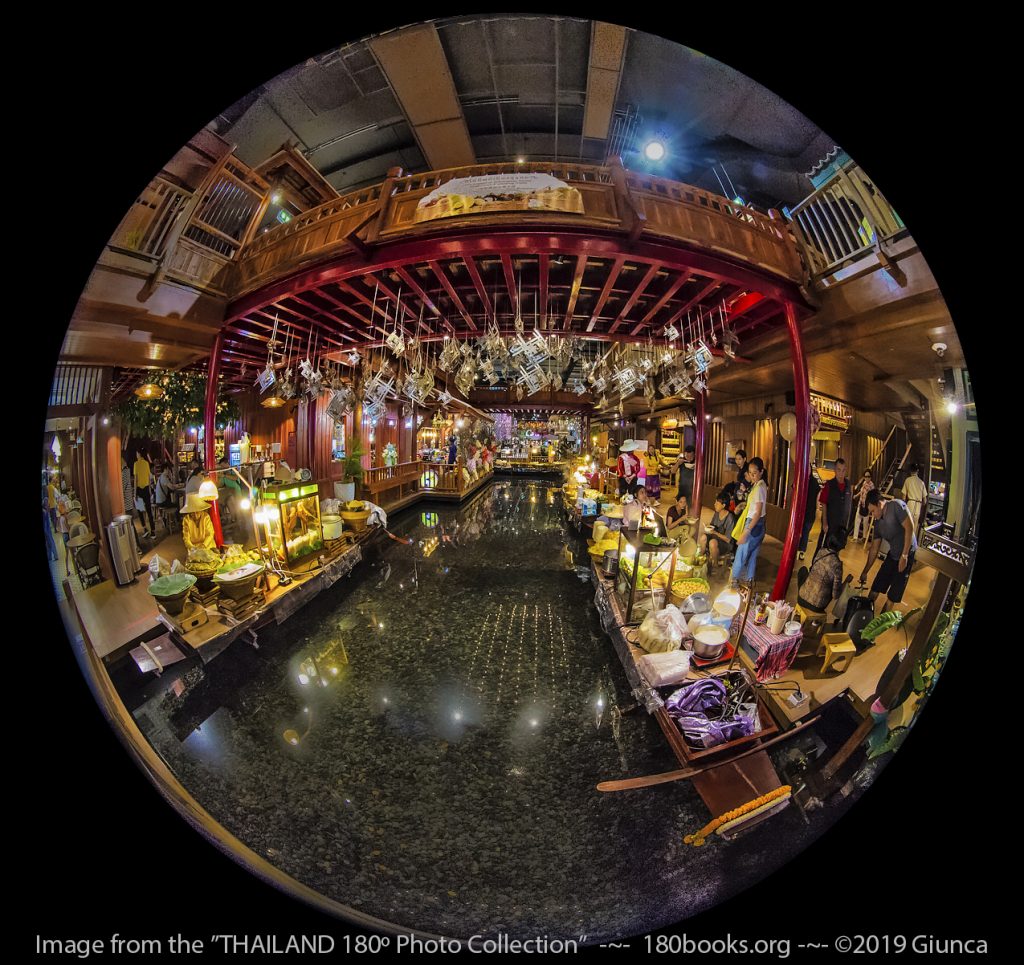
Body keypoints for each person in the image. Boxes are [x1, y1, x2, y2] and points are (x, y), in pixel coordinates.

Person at [859, 489, 918, 613]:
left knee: (893, 595)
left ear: (879, 504)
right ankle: (864, 615)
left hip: (907, 552)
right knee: (876, 586)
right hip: (893, 554)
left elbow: (910, 527)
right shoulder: (878, 523)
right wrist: (865, 571)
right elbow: (874, 549)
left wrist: (905, 555)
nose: (873, 515)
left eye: (873, 511)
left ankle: (880, 624)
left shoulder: (896, 506)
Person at [731, 456, 767, 584]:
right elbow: (755, 508)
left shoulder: (759, 488)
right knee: (752, 556)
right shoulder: (759, 485)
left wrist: (746, 531)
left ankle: (733, 582)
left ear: (761, 471)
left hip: (753, 524)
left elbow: (757, 513)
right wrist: (742, 506)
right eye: (750, 473)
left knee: (741, 554)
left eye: (755, 473)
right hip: (759, 525)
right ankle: (749, 582)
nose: (752, 476)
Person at [798, 526, 847, 614]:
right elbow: (835, 595)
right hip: (817, 606)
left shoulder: (821, 551)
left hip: (801, 598)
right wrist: (846, 581)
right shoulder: (837, 564)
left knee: (803, 570)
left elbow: (813, 569)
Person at [816, 458, 851, 553]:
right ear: (835, 470)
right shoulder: (829, 485)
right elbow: (823, 504)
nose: (841, 473)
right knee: (822, 548)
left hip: (841, 526)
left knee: (835, 550)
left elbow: (848, 505)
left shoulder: (848, 485)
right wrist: (824, 523)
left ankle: (831, 567)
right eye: (839, 470)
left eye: (843, 470)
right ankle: (814, 566)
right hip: (829, 524)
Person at [700, 490, 736, 569]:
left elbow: (728, 539)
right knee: (703, 537)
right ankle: (700, 559)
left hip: (725, 544)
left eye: (717, 503)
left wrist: (715, 533)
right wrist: (708, 527)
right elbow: (712, 526)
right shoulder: (717, 513)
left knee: (712, 542)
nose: (714, 504)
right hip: (715, 538)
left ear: (723, 505)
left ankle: (715, 566)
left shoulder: (730, 518)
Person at [797, 471, 821, 560]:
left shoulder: (813, 482)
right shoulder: (801, 478)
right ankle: (800, 550)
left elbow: (818, 496)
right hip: (801, 510)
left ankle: (802, 550)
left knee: (806, 531)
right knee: (803, 531)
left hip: (809, 510)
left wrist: (817, 508)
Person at [133, 450, 156, 538]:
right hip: (146, 489)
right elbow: (148, 477)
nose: (136, 455)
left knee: (140, 510)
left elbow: (136, 479)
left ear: (138, 454)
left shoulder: (136, 464)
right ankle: (153, 531)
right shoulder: (146, 463)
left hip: (139, 490)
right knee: (149, 510)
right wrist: (150, 490)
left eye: (136, 453)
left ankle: (145, 529)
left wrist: (134, 493)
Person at [901, 463, 927, 535]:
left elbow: (903, 497)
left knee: (906, 525)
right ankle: (911, 544)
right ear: (917, 471)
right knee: (914, 528)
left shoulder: (908, 480)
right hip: (918, 505)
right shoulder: (922, 483)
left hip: (910, 504)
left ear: (910, 471)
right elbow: (925, 501)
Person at [851, 469, 874, 541]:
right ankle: (855, 537)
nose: (867, 478)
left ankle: (864, 537)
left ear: (870, 477)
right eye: (866, 476)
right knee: (857, 520)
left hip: (866, 506)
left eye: (868, 476)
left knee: (865, 522)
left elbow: (872, 496)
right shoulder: (864, 483)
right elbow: (861, 492)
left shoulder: (872, 485)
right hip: (860, 504)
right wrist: (856, 496)